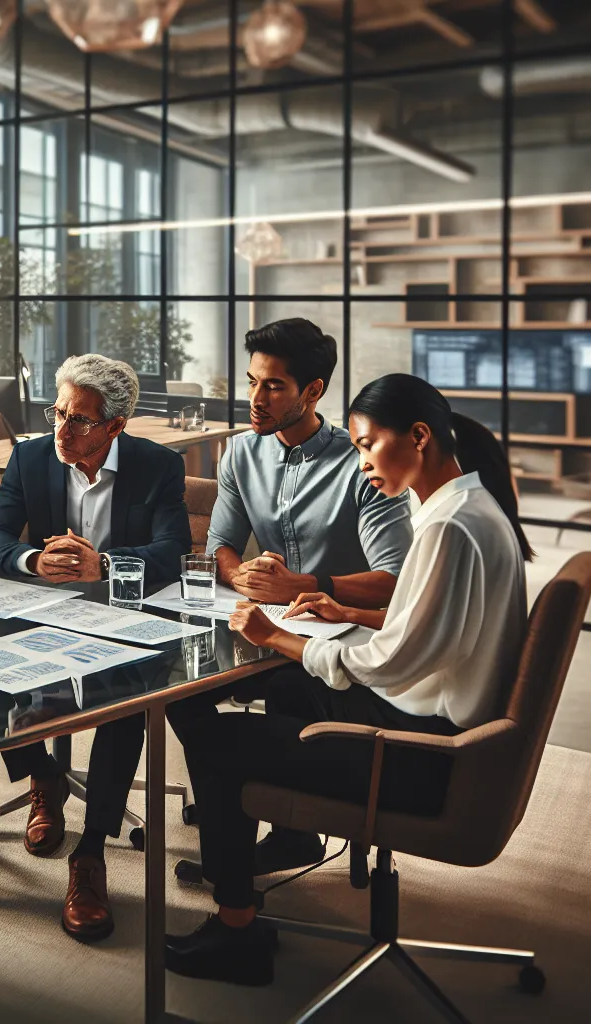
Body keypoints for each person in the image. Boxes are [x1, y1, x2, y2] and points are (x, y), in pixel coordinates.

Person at [165, 373, 533, 987]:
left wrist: (277, 637)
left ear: (418, 436)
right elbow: (431, 622)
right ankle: (290, 837)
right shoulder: (468, 506)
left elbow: (392, 662)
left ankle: (235, 935)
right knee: (285, 689)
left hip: (423, 754)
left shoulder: (447, 528)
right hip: (440, 728)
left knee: (216, 742)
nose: (361, 463)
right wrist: (347, 613)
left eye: (367, 445)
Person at [179, 318, 414, 877]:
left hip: (341, 637)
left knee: (285, 691)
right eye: (252, 382)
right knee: (182, 693)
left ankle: (271, 829)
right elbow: (221, 547)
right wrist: (243, 578)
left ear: (313, 391)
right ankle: (241, 807)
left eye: (273, 386)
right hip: (265, 627)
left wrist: (305, 585)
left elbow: (397, 578)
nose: (255, 399)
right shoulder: (240, 454)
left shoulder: (361, 463)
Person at [0, 353, 191, 943]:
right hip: (43, 613)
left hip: (124, 620)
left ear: (116, 426)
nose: (61, 431)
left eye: (78, 421)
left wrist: (108, 564)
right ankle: (43, 776)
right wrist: (31, 559)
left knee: (125, 706)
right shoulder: (32, 455)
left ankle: (90, 853)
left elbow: (173, 548)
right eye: (58, 413)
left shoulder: (158, 465)